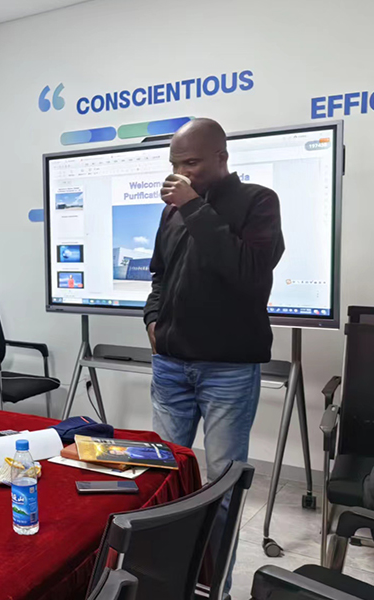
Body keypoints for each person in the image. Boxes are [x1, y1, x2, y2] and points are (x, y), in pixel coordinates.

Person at [144, 118, 284, 592]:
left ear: (221, 158)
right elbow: (159, 275)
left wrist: (194, 206)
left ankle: (215, 588)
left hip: (228, 370)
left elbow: (248, 273)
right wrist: (153, 321)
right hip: (171, 366)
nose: (180, 173)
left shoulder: (258, 202)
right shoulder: (171, 212)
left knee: (222, 487)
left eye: (191, 163)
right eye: (175, 163)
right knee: (163, 480)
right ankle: (164, 586)